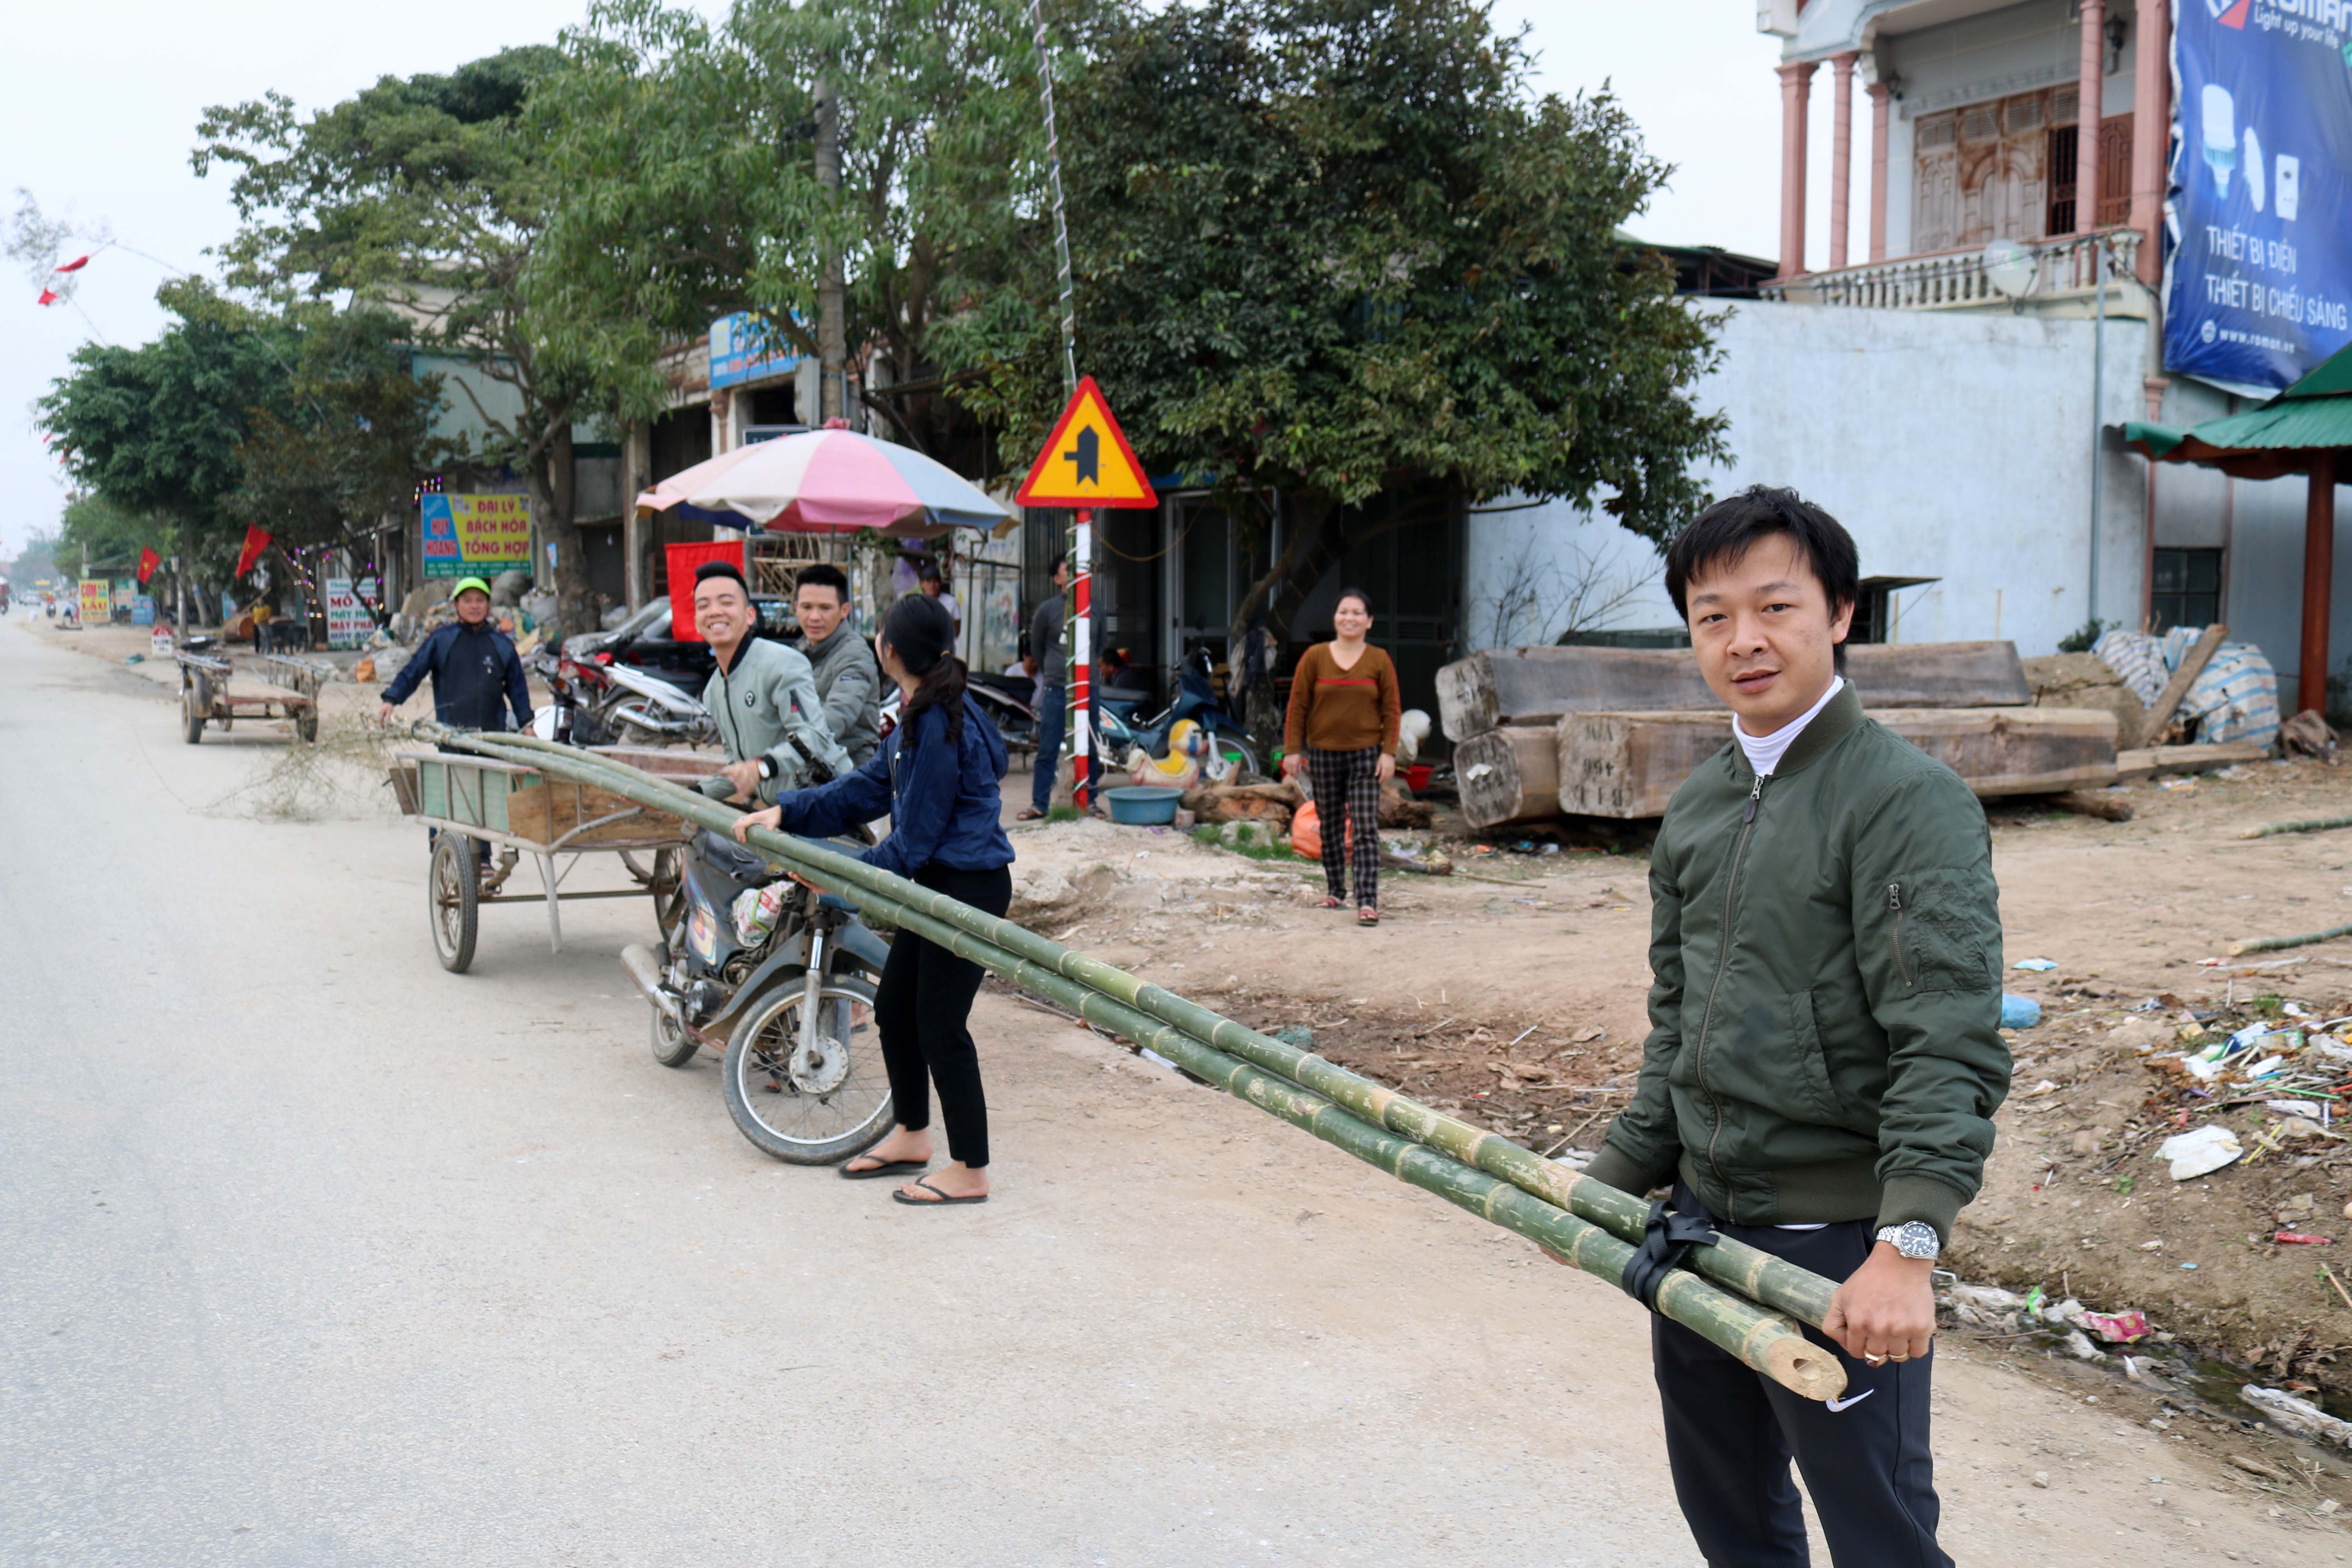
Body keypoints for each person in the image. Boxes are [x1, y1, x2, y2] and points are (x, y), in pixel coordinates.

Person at [1571, 486, 2009, 1568]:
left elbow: (1946, 1036)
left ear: (1842, 614)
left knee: (1881, 1539)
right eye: (1713, 615)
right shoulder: (1700, 805)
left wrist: (1908, 1244)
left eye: (1775, 606)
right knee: (1732, 1523)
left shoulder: (1905, 801)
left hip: (1834, 1251)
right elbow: (1679, 1014)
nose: (1744, 640)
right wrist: (1617, 1177)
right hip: (1702, 1226)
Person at [731, 595, 1013, 1207]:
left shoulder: (940, 723)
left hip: (964, 888)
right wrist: (789, 811)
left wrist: (845, 882)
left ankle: (971, 1169)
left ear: (889, 651)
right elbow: (865, 789)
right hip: (935, 882)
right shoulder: (920, 713)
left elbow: (916, 839)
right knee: (894, 1009)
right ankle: (912, 1135)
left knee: (941, 1026)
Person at [1280, 588, 1400, 926]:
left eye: (1358, 613)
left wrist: (1389, 753)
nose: (1350, 618)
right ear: (1335, 618)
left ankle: (1368, 901)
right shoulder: (1315, 657)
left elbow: (1392, 710)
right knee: (1331, 826)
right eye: (1344, 612)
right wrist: (1293, 749)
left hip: (1366, 757)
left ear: (1370, 621)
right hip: (1323, 755)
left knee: (1364, 828)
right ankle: (1336, 891)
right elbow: (1298, 705)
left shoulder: (1378, 660)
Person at [690, 560, 849, 806]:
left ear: (750, 615)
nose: (714, 612)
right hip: (782, 813)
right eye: (704, 605)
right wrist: (693, 794)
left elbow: (813, 736)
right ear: (696, 620)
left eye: (726, 603)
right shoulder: (713, 690)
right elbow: (739, 769)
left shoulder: (783, 664)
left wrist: (762, 768)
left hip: (829, 804)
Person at [377, 577, 532, 732]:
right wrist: (391, 699)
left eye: (480, 601)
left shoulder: (502, 646)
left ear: (488, 605)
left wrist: (527, 725)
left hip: (493, 741)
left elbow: (518, 690)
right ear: (457, 605)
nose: (474, 606)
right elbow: (414, 671)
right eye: (468, 601)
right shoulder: (442, 641)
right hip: (451, 739)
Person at [792, 563, 882, 769]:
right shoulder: (798, 652)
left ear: (845, 610)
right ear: (796, 608)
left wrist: (782, 755)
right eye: (807, 607)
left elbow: (837, 716)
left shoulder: (856, 655)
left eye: (825, 608)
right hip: (809, 768)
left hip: (850, 772)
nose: (814, 617)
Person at [1016, 553, 1071, 821]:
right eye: (1068, 569)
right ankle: (1040, 804)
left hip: (1086, 690)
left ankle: (1089, 801)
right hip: (1056, 689)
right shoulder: (1048, 610)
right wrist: (1052, 668)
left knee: (1091, 750)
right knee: (1048, 747)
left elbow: (1099, 646)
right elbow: (1037, 647)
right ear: (1057, 579)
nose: (1073, 573)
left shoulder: (1094, 608)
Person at [918, 563, 960, 634]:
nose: (932, 585)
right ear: (922, 584)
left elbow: (956, 630)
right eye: (929, 581)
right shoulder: (916, 603)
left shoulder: (952, 601)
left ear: (941, 583)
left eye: (936, 581)